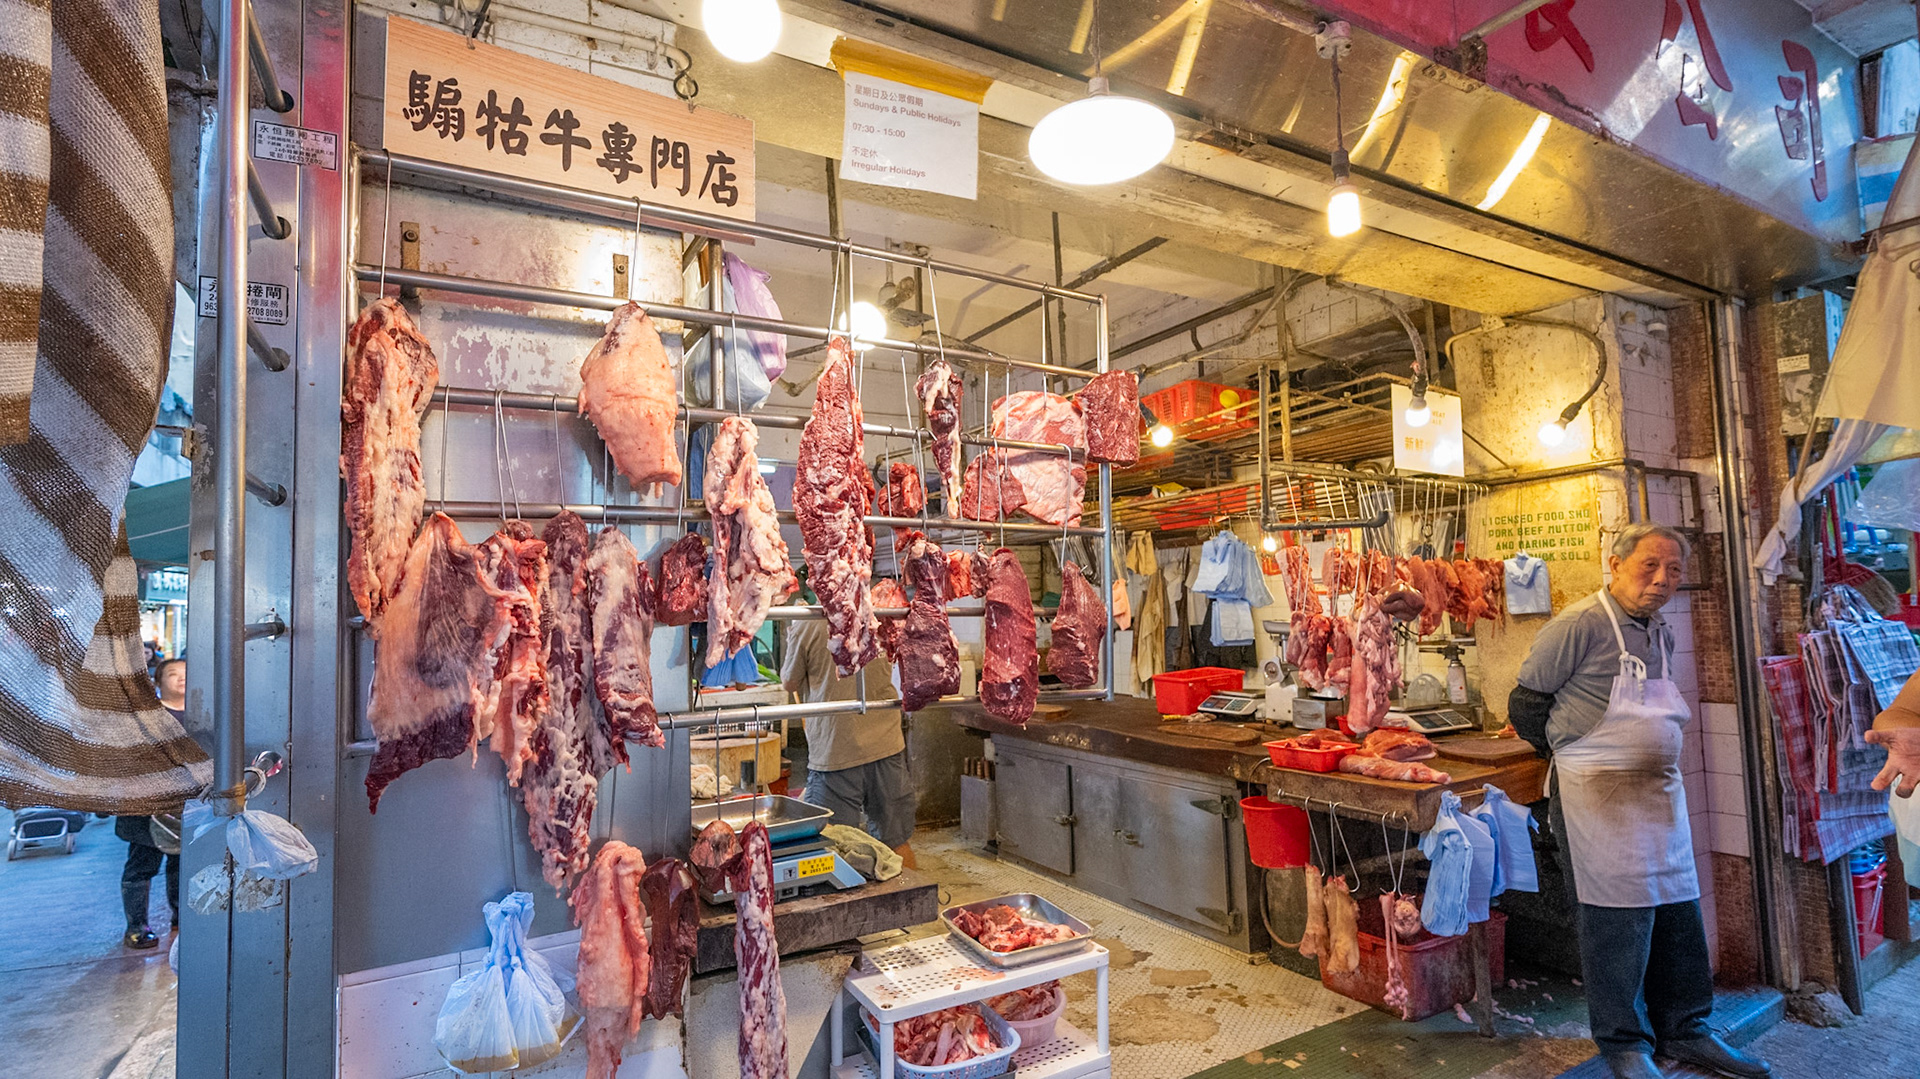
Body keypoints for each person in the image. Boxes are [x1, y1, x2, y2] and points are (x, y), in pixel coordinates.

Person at [1508, 525, 1770, 1079]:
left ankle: (1687, 1029)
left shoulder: (1660, 630)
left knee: (1678, 910)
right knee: (1613, 920)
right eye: (1650, 565)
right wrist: (1570, 753)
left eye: (1674, 570)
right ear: (1615, 563)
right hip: (1594, 795)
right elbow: (1526, 703)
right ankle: (1624, 1043)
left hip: (1658, 793)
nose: (1662, 579)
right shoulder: (1579, 624)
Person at [780, 582, 917, 869]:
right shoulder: (876, 613)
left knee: (833, 848)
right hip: (886, 744)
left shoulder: (810, 621)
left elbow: (789, 682)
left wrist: (794, 634)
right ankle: (914, 897)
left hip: (837, 750)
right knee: (896, 842)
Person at [117, 657, 186, 950]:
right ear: (158, 683)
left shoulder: (204, 713)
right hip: (146, 808)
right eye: (173, 674)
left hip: (187, 805)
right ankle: (136, 927)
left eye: (186, 673)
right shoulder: (144, 717)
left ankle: (182, 917)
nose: (182, 678)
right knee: (142, 866)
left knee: (182, 864)